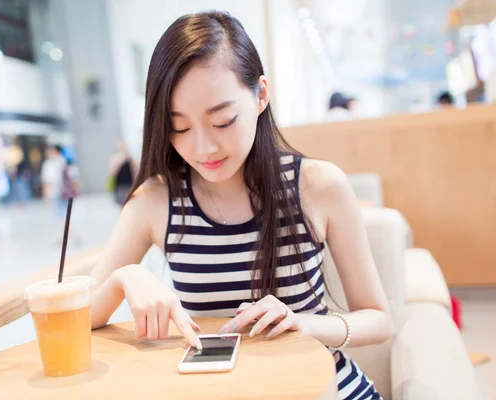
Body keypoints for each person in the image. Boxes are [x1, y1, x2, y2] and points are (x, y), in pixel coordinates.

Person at [89, 11, 391, 399]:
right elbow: (74, 321)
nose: (203, 148)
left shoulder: (318, 185)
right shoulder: (155, 201)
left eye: (223, 120)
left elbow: (379, 319)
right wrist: (123, 278)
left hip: (323, 388)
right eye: (179, 127)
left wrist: (305, 324)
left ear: (261, 95)